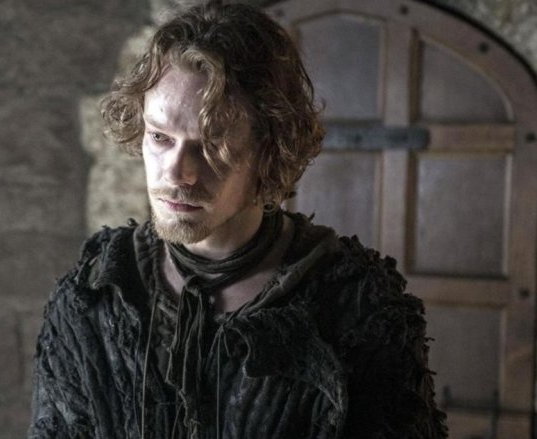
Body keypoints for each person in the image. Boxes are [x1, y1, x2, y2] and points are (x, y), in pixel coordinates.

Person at [29, 2, 447, 438]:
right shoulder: (95, 292)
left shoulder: (356, 306)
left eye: (213, 144)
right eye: (160, 137)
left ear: (269, 149)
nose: (177, 173)